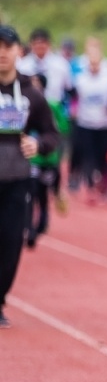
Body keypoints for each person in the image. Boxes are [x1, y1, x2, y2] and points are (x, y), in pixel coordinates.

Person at [0, 25, 61, 328]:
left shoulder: (31, 94)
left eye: (8, 47)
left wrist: (38, 144)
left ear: (18, 52)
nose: (2, 53)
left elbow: (52, 133)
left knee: (11, 242)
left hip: (16, 180)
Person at [19, 28, 71, 241]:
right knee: (30, 186)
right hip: (25, 135)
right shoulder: (22, 65)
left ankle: (51, 204)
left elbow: (69, 92)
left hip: (49, 130)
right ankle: (29, 226)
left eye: (43, 42)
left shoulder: (60, 65)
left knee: (45, 184)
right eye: (36, 42)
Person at [68, 37, 107, 200]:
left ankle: (101, 182)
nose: (94, 66)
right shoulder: (81, 79)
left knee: (103, 156)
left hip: (103, 124)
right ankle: (89, 184)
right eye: (92, 63)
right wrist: (73, 111)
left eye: (97, 63)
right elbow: (73, 97)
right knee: (87, 155)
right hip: (85, 123)